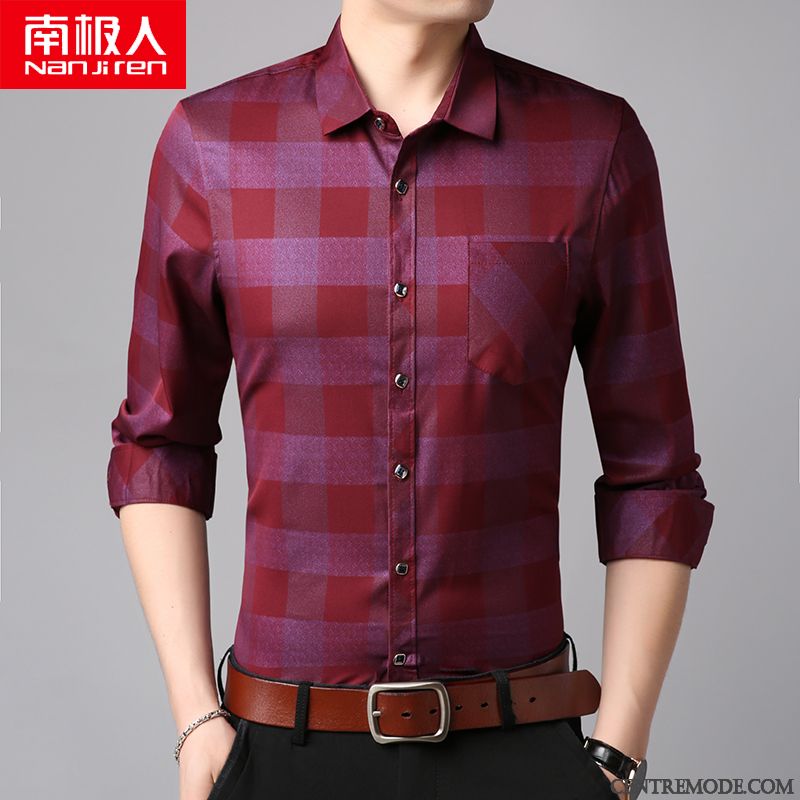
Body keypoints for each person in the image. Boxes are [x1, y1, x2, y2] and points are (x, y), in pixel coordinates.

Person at [106, 1, 715, 798]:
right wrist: (196, 718)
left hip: (519, 749)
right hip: (282, 754)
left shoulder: (592, 146)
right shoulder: (214, 145)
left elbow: (654, 475)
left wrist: (618, 753)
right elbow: (159, 445)